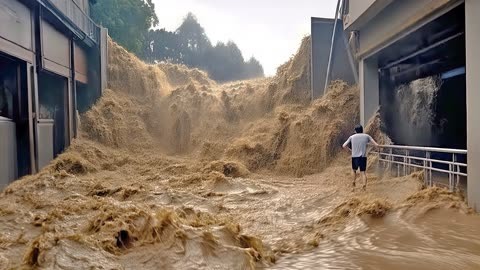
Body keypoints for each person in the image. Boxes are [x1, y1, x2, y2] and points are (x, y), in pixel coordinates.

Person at [342, 124, 379, 190]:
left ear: (355, 131)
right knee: (363, 172)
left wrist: (350, 150)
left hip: (355, 156)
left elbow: (344, 145)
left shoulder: (352, 137)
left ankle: (353, 183)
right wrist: (378, 150)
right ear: (362, 130)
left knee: (354, 170)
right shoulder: (367, 136)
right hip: (363, 157)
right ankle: (364, 186)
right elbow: (376, 144)